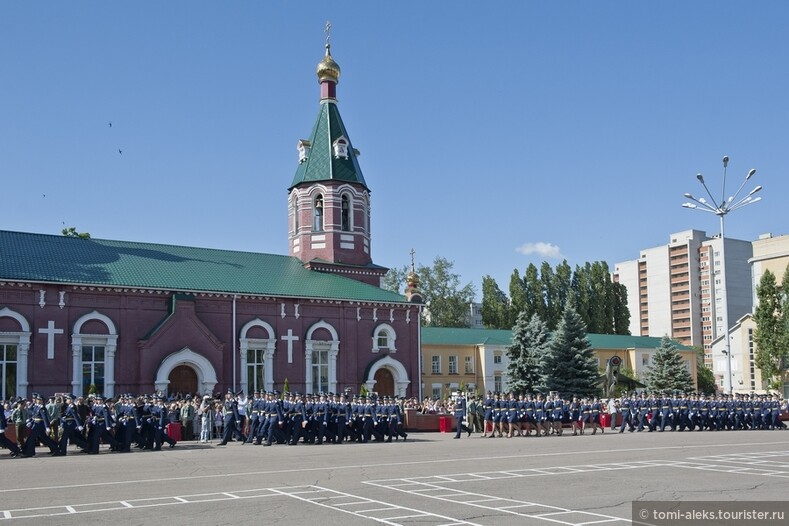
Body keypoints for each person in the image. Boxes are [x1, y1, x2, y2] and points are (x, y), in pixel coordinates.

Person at [21, 393, 59, 458]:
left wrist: (47, 427)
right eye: (37, 399)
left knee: (31, 438)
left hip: (39, 424)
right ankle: (55, 449)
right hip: (36, 423)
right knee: (44, 438)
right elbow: (34, 416)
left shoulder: (42, 408)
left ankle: (30, 452)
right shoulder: (36, 406)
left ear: (41, 400)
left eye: (38, 399)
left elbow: (44, 418)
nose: (37, 400)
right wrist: (30, 421)